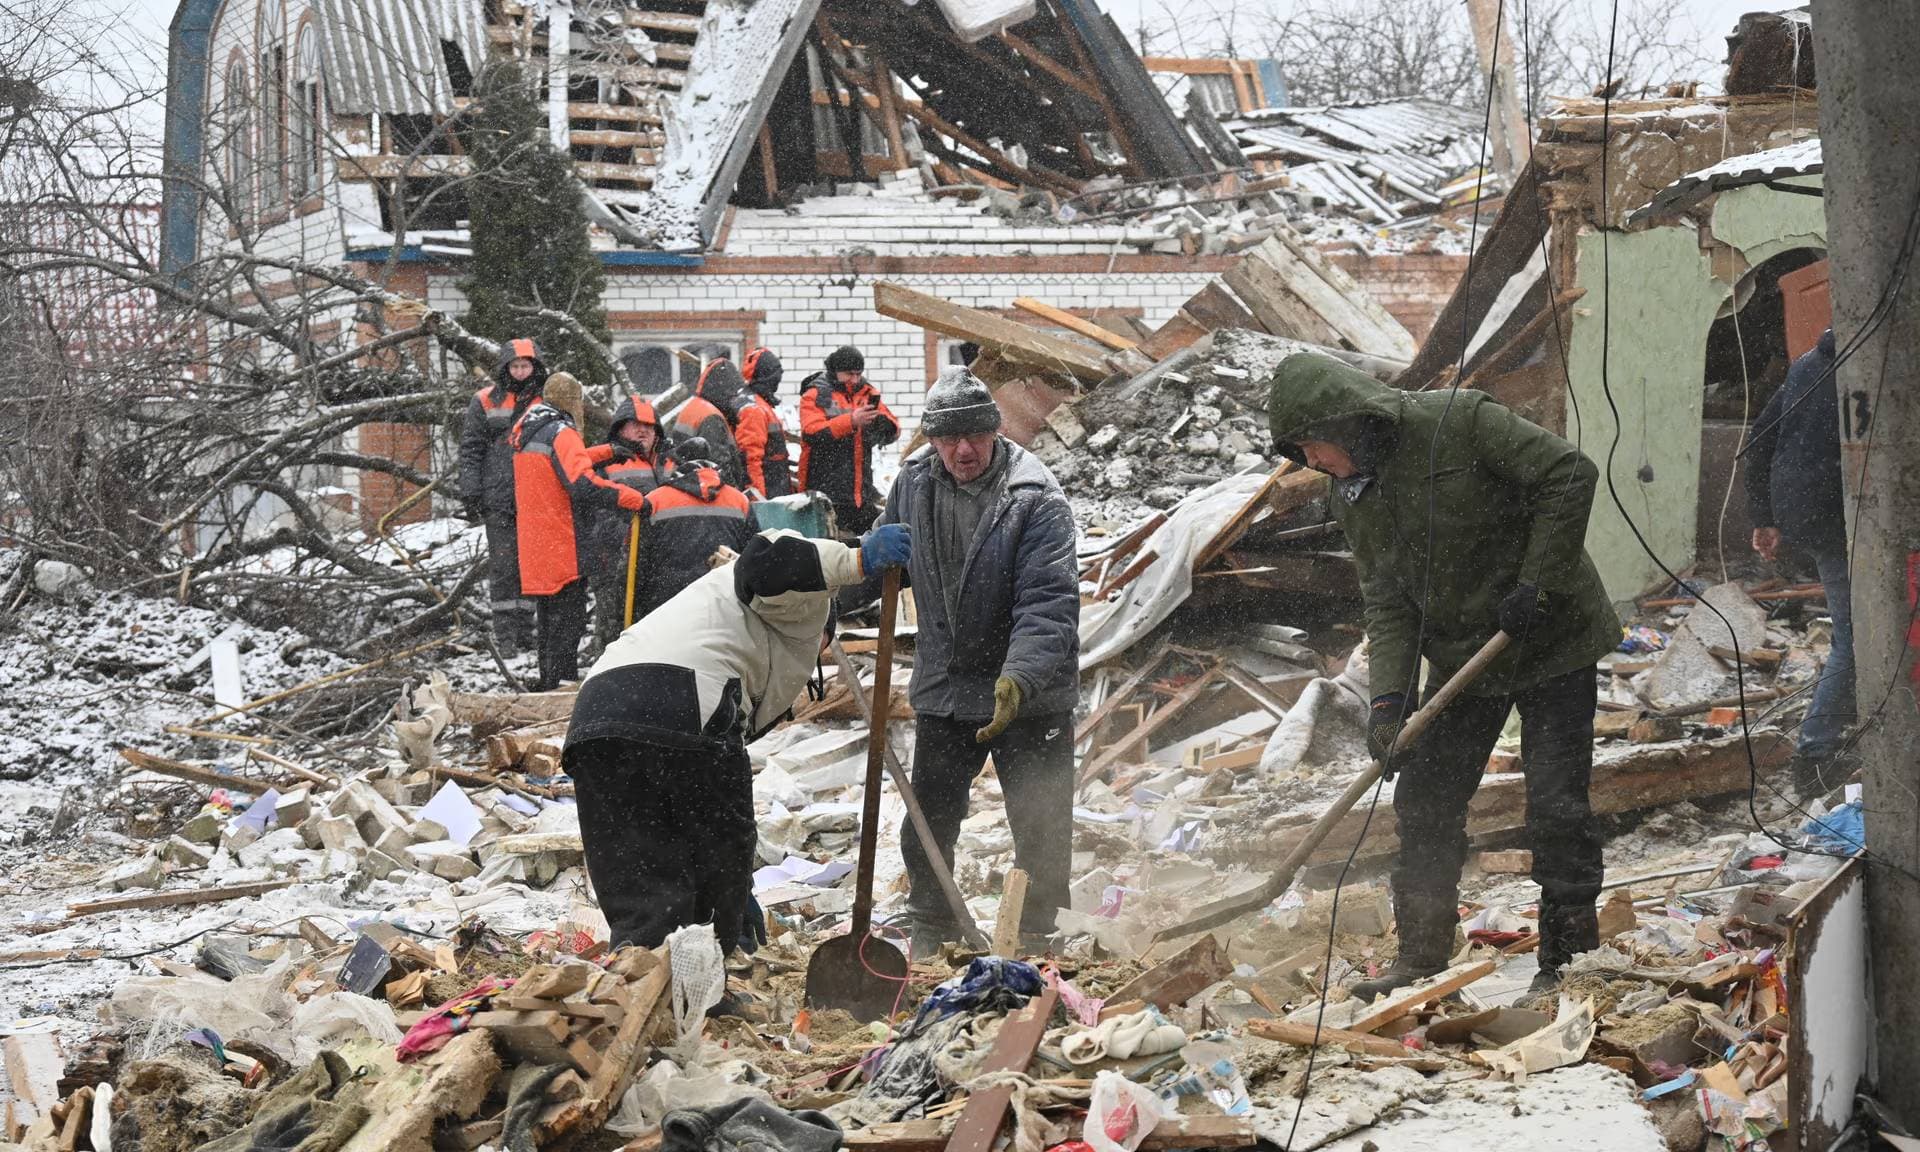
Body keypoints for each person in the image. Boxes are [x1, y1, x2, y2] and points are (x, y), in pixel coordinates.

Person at [1265, 352, 1620, 1000]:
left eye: (1314, 446)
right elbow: (1389, 599)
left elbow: (1567, 475)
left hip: (1552, 636)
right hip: (1465, 656)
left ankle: (1567, 960)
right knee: (1425, 800)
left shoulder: (1460, 420)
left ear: (1346, 423)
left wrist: (1538, 580)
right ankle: (1422, 958)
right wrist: (1389, 702)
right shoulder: (1354, 495)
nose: (1312, 464)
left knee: (1556, 805)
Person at [563, 525, 913, 948]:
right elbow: (766, 563)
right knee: (719, 853)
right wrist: (857, 560)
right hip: (684, 705)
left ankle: (644, 974)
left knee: (639, 871)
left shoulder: (707, 612)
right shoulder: (801, 606)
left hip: (596, 718)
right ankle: (712, 971)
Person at [859, 368, 1080, 959]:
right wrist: (847, 574)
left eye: (975, 437)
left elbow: (1048, 603)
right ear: (931, 439)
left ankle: (1035, 932)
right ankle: (934, 924)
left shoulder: (1034, 497)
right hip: (948, 684)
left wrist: (1021, 677)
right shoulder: (914, 481)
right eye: (948, 438)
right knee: (929, 816)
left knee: (1040, 816)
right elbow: (887, 556)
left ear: (995, 430)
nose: (962, 450)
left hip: (1028, 690)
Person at [1744, 329, 1854, 798]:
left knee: (1867, 634)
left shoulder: (1808, 363)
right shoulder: (1867, 366)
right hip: (1841, 515)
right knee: (1858, 639)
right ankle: (1815, 757)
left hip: (1805, 515)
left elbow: (1759, 438)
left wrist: (1765, 517)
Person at [510, 372, 645, 691]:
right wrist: (632, 499)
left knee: (549, 625)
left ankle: (549, 684)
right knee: (568, 625)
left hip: (538, 545)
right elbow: (582, 485)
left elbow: (565, 463)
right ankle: (563, 690)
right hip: (563, 545)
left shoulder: (531, 429)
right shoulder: (561, 431)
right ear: (574, 401)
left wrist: (609, 451)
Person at [459, 337, 545, 656]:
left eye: (526, 366)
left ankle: (526, 629)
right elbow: (471, 449)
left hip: (535, 498)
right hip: (499, 497)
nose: (521, 372)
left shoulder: (545, 401)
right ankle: (506, 633)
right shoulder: (484, 401)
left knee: (530, 565)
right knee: (505, 566)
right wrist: (470, 490)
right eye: (516, 366)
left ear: (535, 368)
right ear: (505, 368)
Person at [631, 437, 755, 620]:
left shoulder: (653, 501)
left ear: (677, 465)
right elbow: (754, 562)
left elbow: (634, 570)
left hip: (665, 611)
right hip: (723, 610)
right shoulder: (740, 501)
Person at [587, 395, 673, 650]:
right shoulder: (606, 463)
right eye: (634, 423)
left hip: (656, 562)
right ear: (619, 428)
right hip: (612, 559)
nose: (642, 430)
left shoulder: (669, 461)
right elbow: (597, 514)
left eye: (648, 425)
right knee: (613, 627)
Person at [799, 345, 898, 536]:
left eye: (858, 374)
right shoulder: (815, 394)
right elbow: (812, 432)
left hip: (860, 493)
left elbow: (893, 428)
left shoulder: (867, 392)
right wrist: (851, 421)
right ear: (835, 371)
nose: (854, 379)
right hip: (826, 490)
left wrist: (883, 425)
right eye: (849, 374)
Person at [670, 353, 748, 490]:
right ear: (723, 392)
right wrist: (735, 495)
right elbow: (718, 465)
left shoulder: (693, 406)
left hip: (687, 483)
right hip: (706, 490)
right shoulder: (712, 418)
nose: (735, 399)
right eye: (733, 394)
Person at [734, 347, 795, 499]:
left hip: (773, 487)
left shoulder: (756, 402)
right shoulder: (755, 409)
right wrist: (758, 497)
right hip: (769, 491)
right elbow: (750, 459)